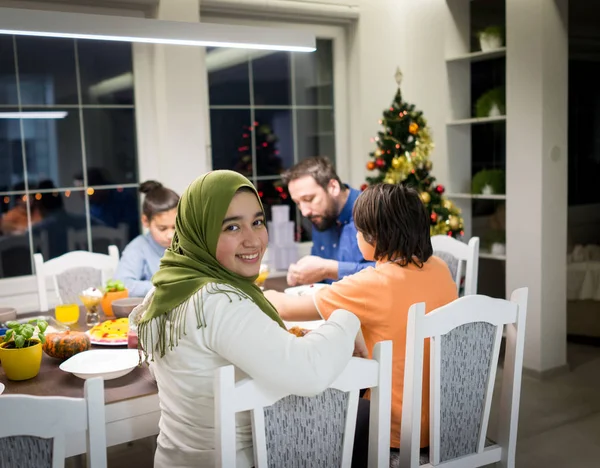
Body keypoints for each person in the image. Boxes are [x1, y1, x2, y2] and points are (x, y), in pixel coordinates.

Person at [134, 170, 362, 468]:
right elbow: (310, 370)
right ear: (199, 230)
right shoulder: (219, 301)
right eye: (231, 227)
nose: (253, 240)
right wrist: (347, 319)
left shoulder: (165, 288)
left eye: (257, 222)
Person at [264, 183, 458, 455]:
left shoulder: (373, 283)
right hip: (443, 418)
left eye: (358, 231)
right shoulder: (439, 267)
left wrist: (258, 288)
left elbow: (284, 308)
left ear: (374, 237)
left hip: (392, 426)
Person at [281, 156, 374, 286]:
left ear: (333, 187)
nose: (304, 212)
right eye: (297, 203)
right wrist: (301, 274)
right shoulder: (321, 216)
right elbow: (320, 279)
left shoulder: (374, 212)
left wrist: (329, 269)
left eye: (309, 199)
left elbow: (393, 272)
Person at [114, 181, 179, 297]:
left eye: (175, 227)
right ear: (145, 221)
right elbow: (122, 284)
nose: (170, 235)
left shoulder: (188, 244)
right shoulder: (138, 248)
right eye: (162, 228)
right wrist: (162, 287)